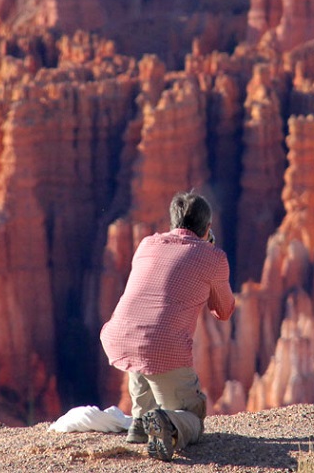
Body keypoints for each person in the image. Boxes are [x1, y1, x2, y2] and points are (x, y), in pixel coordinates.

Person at [100, 191, 235, 461]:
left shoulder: (147, 244)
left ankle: (140, 422)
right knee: (192, 418)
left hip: (118, 337)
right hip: (164, 348)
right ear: (208, 227)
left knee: (144, 345)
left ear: (173, 222)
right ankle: (169, 424)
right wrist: (209, 253)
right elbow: (224, 311)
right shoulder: (214, 257)